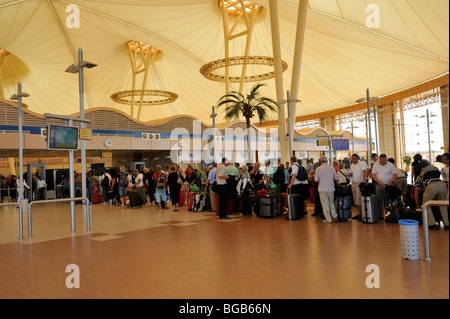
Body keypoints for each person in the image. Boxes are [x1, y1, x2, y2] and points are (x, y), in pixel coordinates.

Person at [414, 164, 449, 230]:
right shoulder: (436, 176)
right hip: (442, 185)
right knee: (443, 205)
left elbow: (416, 190)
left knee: (426, 205)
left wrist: (417, 204)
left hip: (431, 186)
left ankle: (432, 224)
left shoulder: (419, 178)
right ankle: (447, 224)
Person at [371, 154, 398, 220]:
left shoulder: (390, 165)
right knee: (379, 200)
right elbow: (373, 174)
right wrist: (379, 181)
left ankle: (390, 215)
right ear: (379, 160)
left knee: (389, 200)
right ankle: (380, 216)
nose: (384, 162)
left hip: (389, 185)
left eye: (385, 160)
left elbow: (395, 175)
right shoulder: (375, 165)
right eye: (383, 160)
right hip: (379, 184)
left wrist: (389, 182)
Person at [314, 157, 338, 223]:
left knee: (325, 204)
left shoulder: (318, 169)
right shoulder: (332, 168)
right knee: (331, 202)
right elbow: (336, 178)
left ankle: (328, 219)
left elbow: (316, 180)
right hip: (331, 188)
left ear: (320, 162)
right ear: (327, 161)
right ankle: (334, 215)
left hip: (322, 188)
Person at [350, 154, 368, 220]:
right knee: (355, 199)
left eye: (354, 158)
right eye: (352, 159)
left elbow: (364, 171)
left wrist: (364, 179)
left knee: (358, 199)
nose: (353, 160)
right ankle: (359, 213)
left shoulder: (361, 163)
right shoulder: (352, 165)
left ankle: (362, 213)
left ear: (358, 158)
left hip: (359, 183)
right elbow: (352, 173)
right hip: (353, 183)